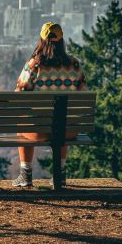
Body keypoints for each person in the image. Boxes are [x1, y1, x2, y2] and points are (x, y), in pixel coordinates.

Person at [11, 22, 88, 188]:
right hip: (69, 131)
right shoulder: (74, 65)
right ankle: (59, 175)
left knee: (21, 124)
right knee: (62, 122)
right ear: (61, 41)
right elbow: (83, 93)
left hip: (39, 131)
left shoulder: (35, 65)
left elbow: (19, 95)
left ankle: (25, 174)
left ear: (42, 40)